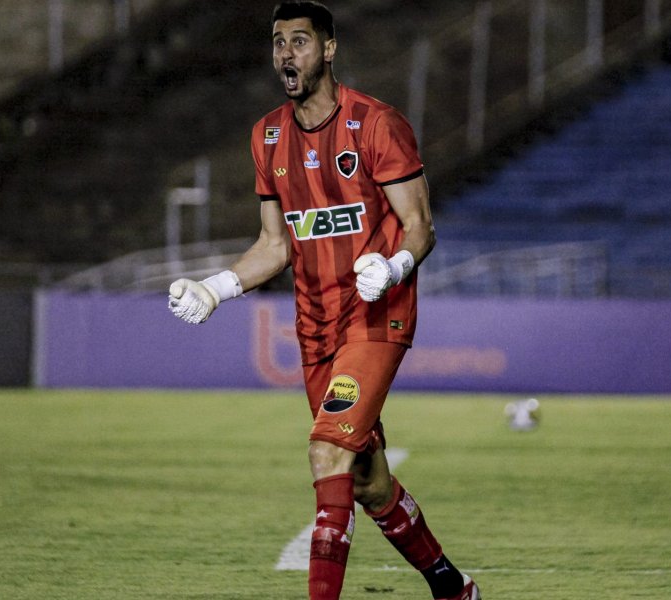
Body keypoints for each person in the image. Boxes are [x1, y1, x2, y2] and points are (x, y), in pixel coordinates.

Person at [167, 3, 480, 599]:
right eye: (278, 42)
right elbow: (273, 244)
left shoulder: (377, 125)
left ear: (329, 50)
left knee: (325, 454)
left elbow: (421, 227)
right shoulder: (266, 136)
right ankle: (452, 588)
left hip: (375, 317)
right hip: (315, 329)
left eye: (301, 42)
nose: (287, 53)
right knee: (367, 481)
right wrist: (217, 287)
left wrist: (392, 267)